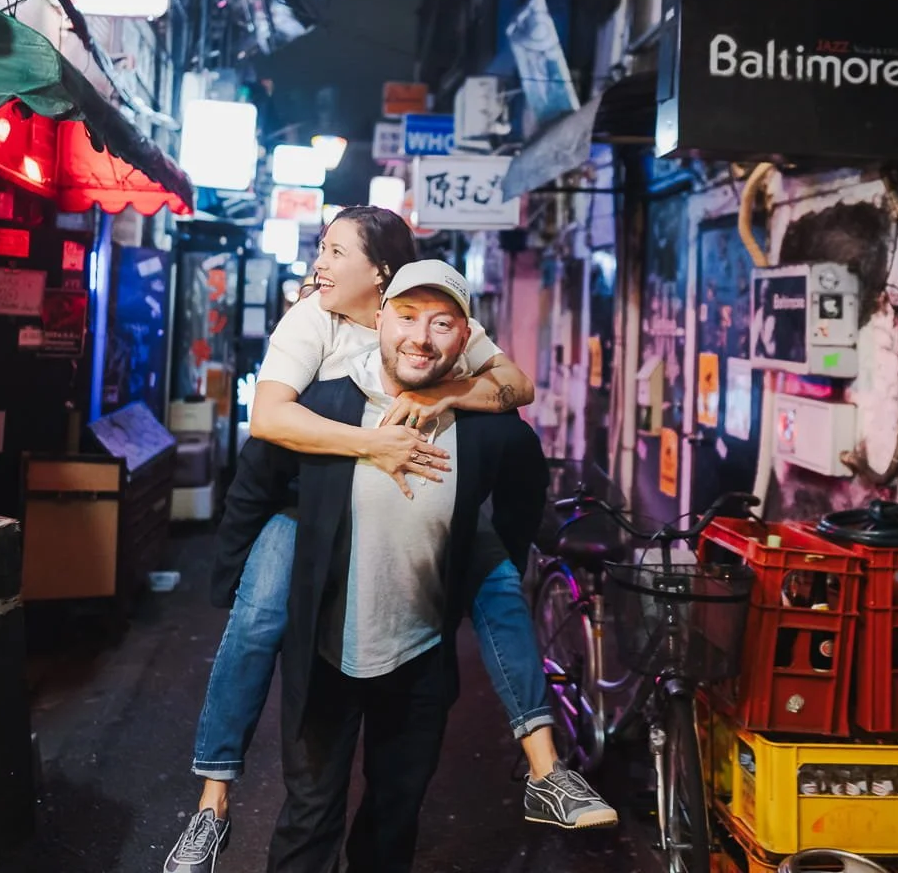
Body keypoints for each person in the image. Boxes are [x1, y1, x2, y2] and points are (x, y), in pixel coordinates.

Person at [161, 214, 614, 873]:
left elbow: (517, 401)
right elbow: (266, 436)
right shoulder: (316, 334)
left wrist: (450, 398)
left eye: (335, 251)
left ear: (460, 333)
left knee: (495, 588)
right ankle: (212, 799)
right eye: (407, 319)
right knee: (258, 624)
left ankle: (546, 769)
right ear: (384, 314)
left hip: (418, 648)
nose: (321, 264)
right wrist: (371, 445)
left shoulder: (452, 356)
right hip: (311, 539)